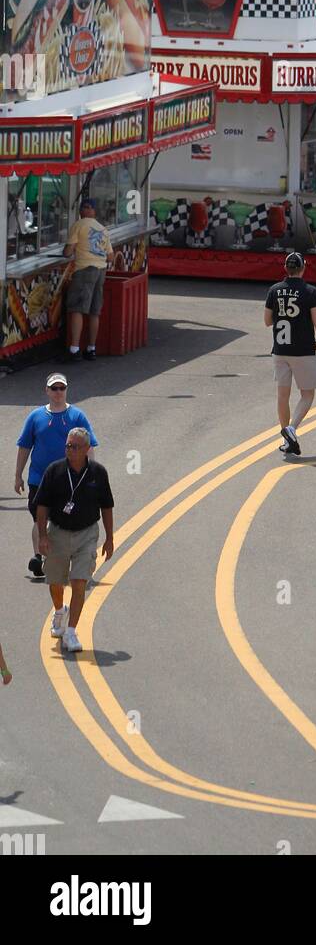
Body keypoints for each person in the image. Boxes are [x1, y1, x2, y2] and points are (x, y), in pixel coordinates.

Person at [36, 428, 115, 655]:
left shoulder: (98, 473)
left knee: (79, 581)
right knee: (55, 581)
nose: (70, 450)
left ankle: (71, 631)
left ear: (87, 449)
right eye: (68, 445)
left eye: (75, 446)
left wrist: (109, 538)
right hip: (58, 532)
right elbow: (42, 505)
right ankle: (60, 610)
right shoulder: (55, 471)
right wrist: (42, 535)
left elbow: (107, 506)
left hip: (86, 533)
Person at [15, 374, 98, 580]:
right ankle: (39, 558)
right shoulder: (35, 417)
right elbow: (25, 446)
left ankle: (66, 556)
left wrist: (90, 475)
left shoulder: (77, 416)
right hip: (39, 479)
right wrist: (18, 475)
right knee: (39, 519)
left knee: (63, 520)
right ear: (47, 391)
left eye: (62, 388)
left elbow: (88, 447)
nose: (58, 392)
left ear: (66, 390)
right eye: (54, 388)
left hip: (69, 480)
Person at [264, 251, 316, 457]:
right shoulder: (310, 292)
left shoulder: (274, 290)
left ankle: (286, 438)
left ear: (286, 268)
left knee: (282, 395)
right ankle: (292, 429)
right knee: (307, 393)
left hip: (281, 349)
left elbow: (267, 321)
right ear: (303, 268)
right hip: (303, 350)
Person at [63, 197, 114, 360]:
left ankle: (74, 350)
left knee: (77, 308)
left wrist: (71, 249)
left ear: (90, 211)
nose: (83, 210)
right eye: (83, 207)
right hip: (101, 271)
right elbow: (111, 256)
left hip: (84, 269)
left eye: (85, 207)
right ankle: (91, 349)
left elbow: (68, 252)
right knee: (94, 311)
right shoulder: (103, 229)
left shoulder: (79, 225)